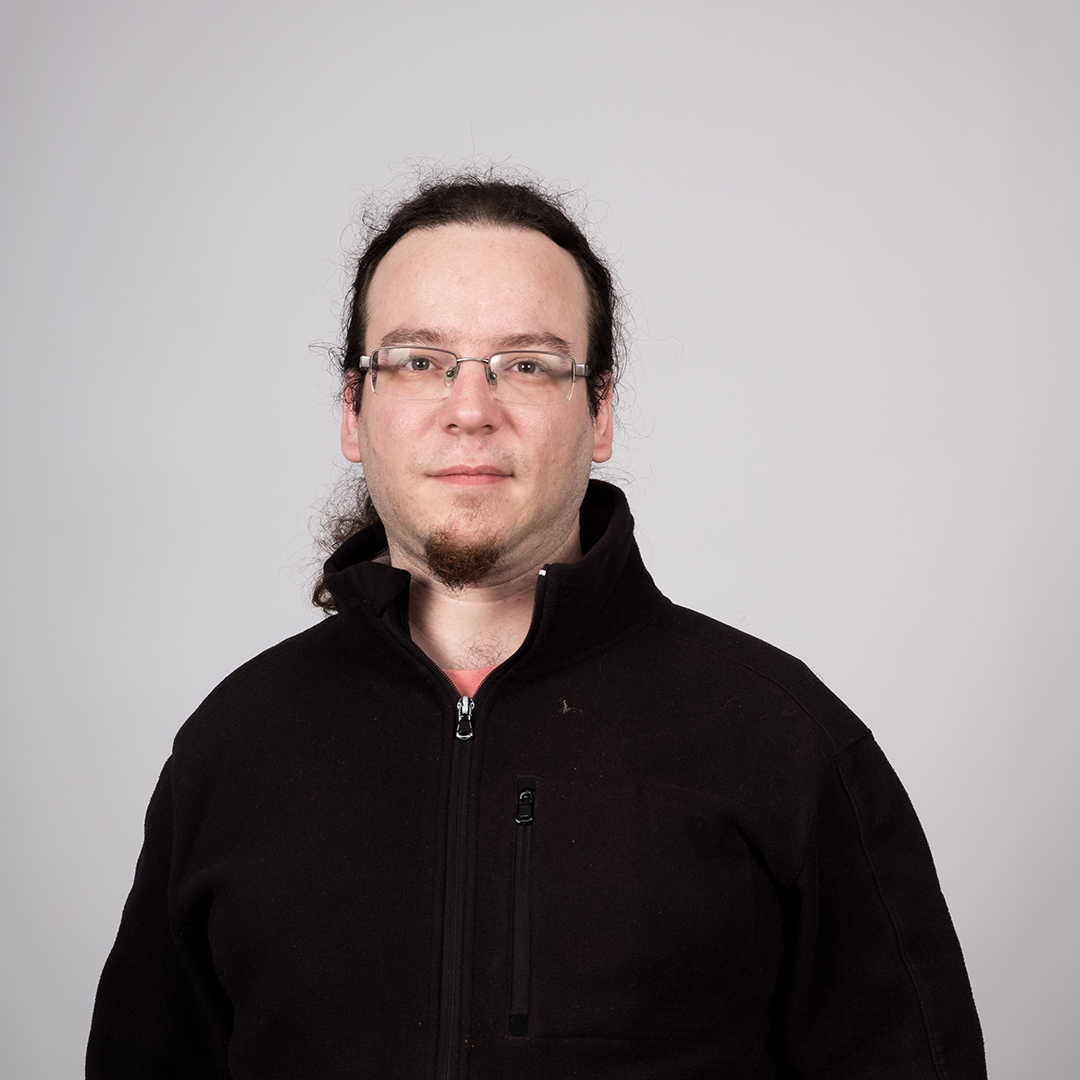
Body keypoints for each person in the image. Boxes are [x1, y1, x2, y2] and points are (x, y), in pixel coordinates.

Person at [87, 174, 986, 1079]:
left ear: (600, 412)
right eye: (418, 360)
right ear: (353, 411)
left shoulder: (782, 739)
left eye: (527, 364)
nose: (470, 410)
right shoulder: (233, 747)